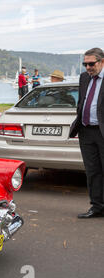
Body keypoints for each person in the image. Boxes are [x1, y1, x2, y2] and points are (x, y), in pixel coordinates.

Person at [69, 48, 104, 219]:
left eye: (91, 64)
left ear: (102, 62)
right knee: (92, 171)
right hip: (86, 132)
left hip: (102, 131)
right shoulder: (84, 77)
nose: (88, 67)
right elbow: (82, 101)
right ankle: (97, 207)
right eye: (85, 64)